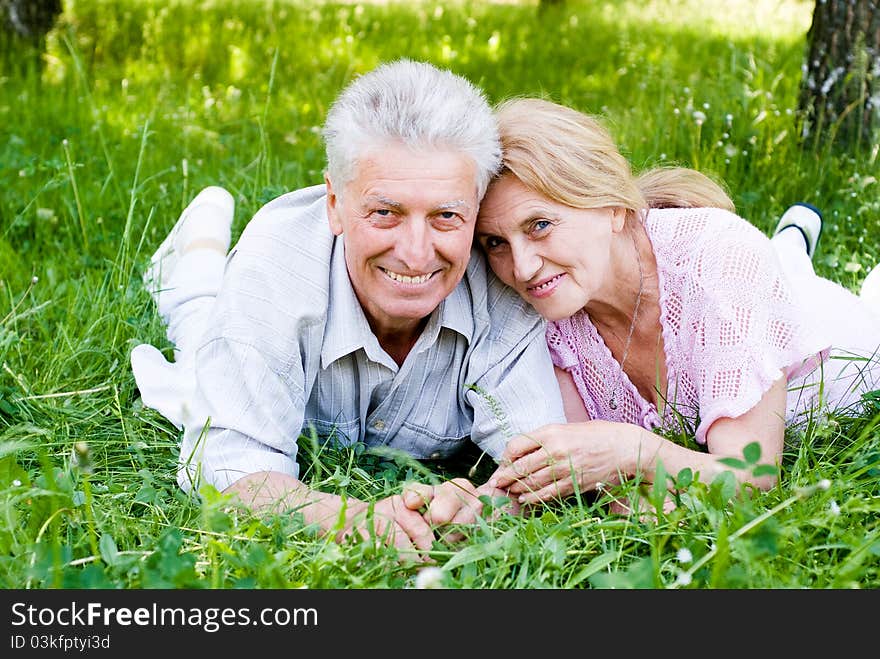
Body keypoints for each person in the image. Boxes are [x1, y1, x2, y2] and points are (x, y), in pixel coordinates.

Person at [130, 62, 567, 558]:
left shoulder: (501, 277)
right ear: (334, 203)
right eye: (386, 213)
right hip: (252, 302)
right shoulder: (275, 270)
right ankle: (191, 260)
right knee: (197, 339)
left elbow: (541, 456)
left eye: (446, 215)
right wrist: (353, 521)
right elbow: (230, 466)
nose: (417, 252)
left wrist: (485, 508)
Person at [468, 97, 880, 511]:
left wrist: (633, 450)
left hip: (849, 338)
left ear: (612, 207)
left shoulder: (722, 259)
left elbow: (752, 477)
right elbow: (569, 469)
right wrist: (470, 507)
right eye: (495, 242)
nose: (522, 268)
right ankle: (790, 243)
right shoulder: (549, 304)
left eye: (540, 225)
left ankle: (791, 247)